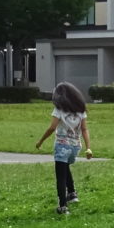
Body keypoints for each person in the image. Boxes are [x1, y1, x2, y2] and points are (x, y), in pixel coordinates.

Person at [34, 80, 92, 215]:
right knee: (65, 167)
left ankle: (62, 206)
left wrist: (40, 141)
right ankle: (72, 194)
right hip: (75, 146)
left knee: (60, 176)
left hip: (62, 145)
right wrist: (88, 148)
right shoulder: (80, 110)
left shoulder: (58, 110)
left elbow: (52, 128)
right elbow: (84, 129)